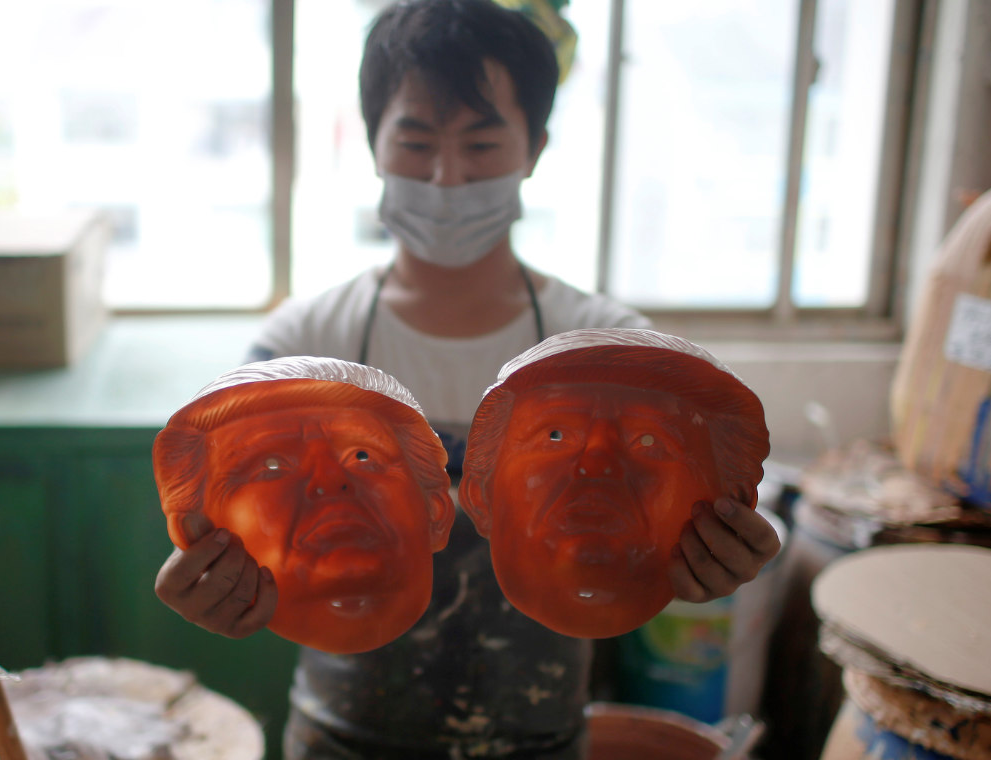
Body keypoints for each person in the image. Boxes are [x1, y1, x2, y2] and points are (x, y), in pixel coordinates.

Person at [154, 1, 782, 757]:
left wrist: (706, 559)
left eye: (482, 143)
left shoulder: (614, 359)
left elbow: (675, 515)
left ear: (536, 147)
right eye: (416, 141)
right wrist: (212, 581)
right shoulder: (302, 343)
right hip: (340, 737)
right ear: (374, 143)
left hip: (540, 738)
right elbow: (231, 525)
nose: (447, 176)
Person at [459, 328, 771, 640]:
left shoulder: (605, 320)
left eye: (649, 441)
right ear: (480, 494)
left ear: (731, 498)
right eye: (555, 435)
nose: (596, 465)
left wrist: (719, 555)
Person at [153, 357, 454, 654]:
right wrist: (206, 569)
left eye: (363, 455)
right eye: (271, 466)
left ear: (437, 512)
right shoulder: (301, 329)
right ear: (194, 529)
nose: (331, 480)